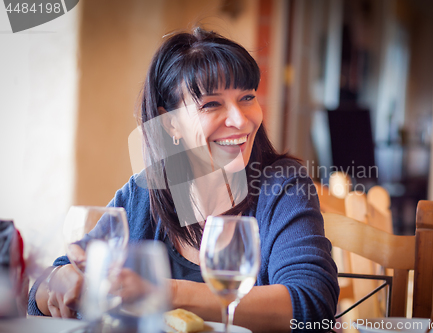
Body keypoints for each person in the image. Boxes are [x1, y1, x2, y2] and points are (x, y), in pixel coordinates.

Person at [28, 28, 339, 332]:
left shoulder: (282, 186)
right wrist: (61, 281)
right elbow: (43, 290)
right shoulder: (144, 193)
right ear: (171, 123)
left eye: (247, 97)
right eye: (212, 104)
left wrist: (162, 293)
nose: (241, 120)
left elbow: (311, 306)